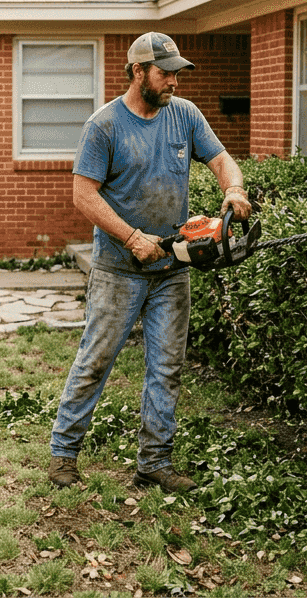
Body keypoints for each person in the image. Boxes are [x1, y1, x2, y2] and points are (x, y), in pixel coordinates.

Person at [49, 31, 252, 493]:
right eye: (165, 73)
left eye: (177, 73)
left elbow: (221, 159)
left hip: (171, 269)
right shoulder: (104, 126)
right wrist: (132, 237)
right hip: (118, 270)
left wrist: (234, 189)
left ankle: (154, 464)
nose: (174, 82)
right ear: (138, 72)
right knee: (95, 360)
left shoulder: (184, 115)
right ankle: (64, 454)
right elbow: (84, 195)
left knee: (167, 366)